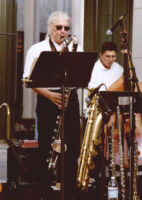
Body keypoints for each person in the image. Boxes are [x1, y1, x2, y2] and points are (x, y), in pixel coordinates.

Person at [23, 11, 82, 200]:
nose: (63, 32)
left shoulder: (76, 48)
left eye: (66, 28)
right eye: (59, 27)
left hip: (69, 99)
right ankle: (44, 191)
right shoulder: (37, 49)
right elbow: (27, 81)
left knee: (72, 147)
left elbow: (82, 75)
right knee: (46, 148)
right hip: (47, 100)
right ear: (50, 28)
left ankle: (70, 192)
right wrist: (49, 95)